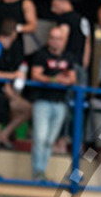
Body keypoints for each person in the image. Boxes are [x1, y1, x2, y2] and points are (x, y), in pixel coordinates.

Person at [0, 19, 30, 179]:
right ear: (13, 34)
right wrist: (12, 76)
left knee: (27, 109)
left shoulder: (4, 49)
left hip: (1, 92)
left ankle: (6, 133)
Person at [28, 26, 77, 181]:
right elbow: (36, 75)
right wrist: (56, 80)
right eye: (53, 38)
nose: (55, 41)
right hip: (42, 101)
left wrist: (63, 80)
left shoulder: (68, 57)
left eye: (59, 38)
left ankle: (42, 171)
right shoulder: (41, 55)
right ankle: (37, 172)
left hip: (60, 103)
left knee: (49, 141)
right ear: (49, 39)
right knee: (40, 138)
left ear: (64, 41)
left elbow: (72, 78)